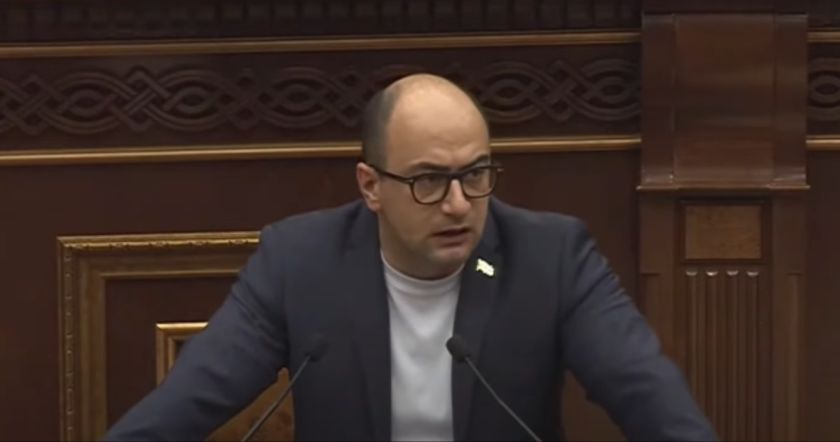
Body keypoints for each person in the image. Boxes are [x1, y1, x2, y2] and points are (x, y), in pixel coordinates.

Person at [104, 74, 716, 441]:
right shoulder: (299, 262)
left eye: (476, 173)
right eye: (429, 180)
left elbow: (649, 397)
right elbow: (184, 406)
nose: (459, 204)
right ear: (371, 186)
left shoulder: (552, 257)